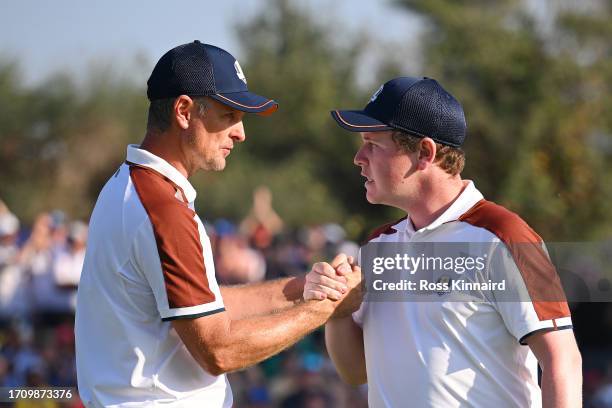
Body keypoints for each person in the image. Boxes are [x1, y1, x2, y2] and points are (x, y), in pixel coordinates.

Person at [74, 41, 360, 407]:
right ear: (183, 111)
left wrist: (306, 288)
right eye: (229, 116)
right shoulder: (163, 210)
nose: (241, 133)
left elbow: (207, 307)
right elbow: (218, 351)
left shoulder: (129, 184)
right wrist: (325, 308)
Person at [309, 76, 582, 407]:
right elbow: (356, 372)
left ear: (425, 152)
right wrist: (337, 308)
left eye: (374, 144)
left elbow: (562, 360)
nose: (359, 157)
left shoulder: (508, 236)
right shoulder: (378, 245)